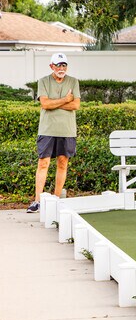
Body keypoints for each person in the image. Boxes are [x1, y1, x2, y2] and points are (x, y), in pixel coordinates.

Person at [27, 53, 81, 213]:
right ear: (52, 66)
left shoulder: (73, 81)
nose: (61, 68)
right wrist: (65, 100)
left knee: (63, 162)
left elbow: (76, 105)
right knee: (43, 163)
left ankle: (56, 200)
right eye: (58, 65)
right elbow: (44, 103)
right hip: (47, 129)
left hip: (67, 130)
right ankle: (37, 200)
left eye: (64, 65)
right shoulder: (43, 81)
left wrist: (54, 103)